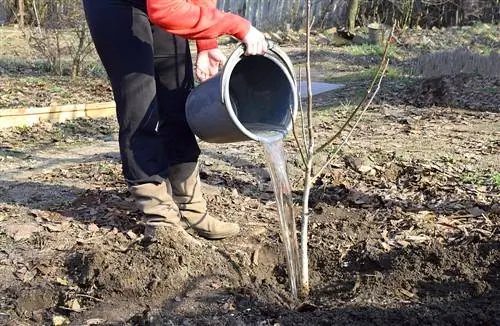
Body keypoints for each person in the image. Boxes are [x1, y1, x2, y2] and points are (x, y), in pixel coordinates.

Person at [82, 0, 268, 240]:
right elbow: (163, 10)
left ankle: (190, 209)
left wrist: (206, 43)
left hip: (165, 4)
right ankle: (160, 218)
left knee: (178, 100)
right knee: (139, 109)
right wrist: (238, 26)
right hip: (116, 6)